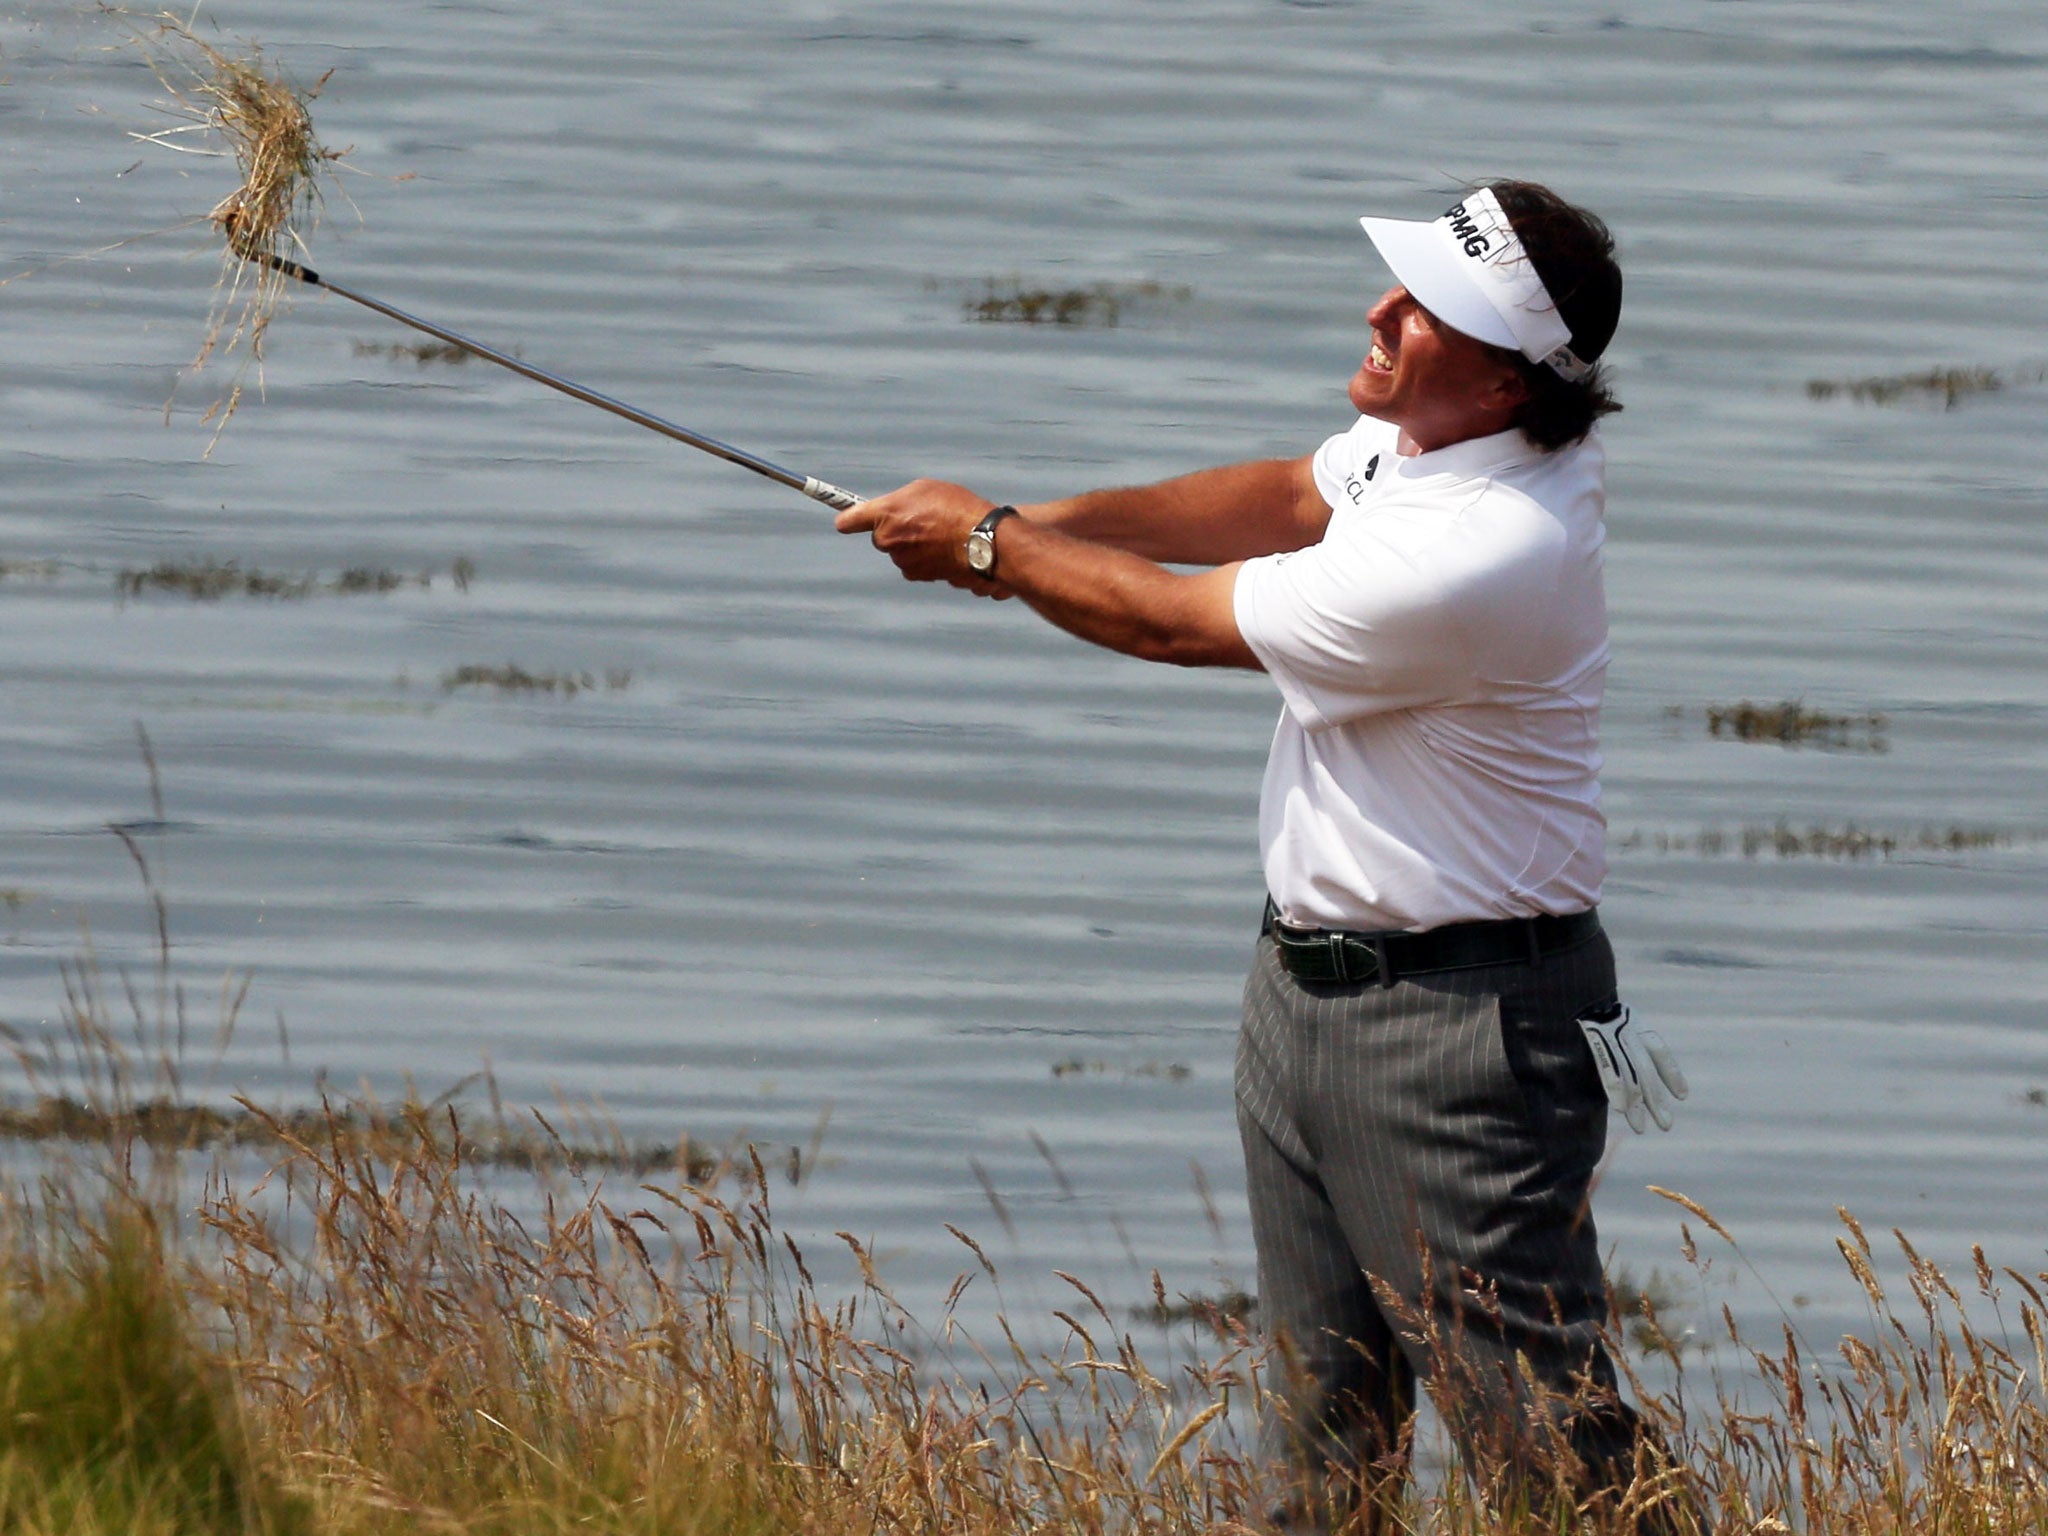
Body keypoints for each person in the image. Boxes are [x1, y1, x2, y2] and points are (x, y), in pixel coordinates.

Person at [836, 180, 1691, 1531]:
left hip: (1461, 1037)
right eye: (1397, 289)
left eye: (1424, 311)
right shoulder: (1423, 448)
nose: (1380, 312)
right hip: (1303, 998)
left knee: (1555, 1464)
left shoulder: (1483, 551)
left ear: (1507, 377)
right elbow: (1283, 496)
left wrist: (993, 546)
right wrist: (1032, 529)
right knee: (1321, 1448)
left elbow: (1178, 626)